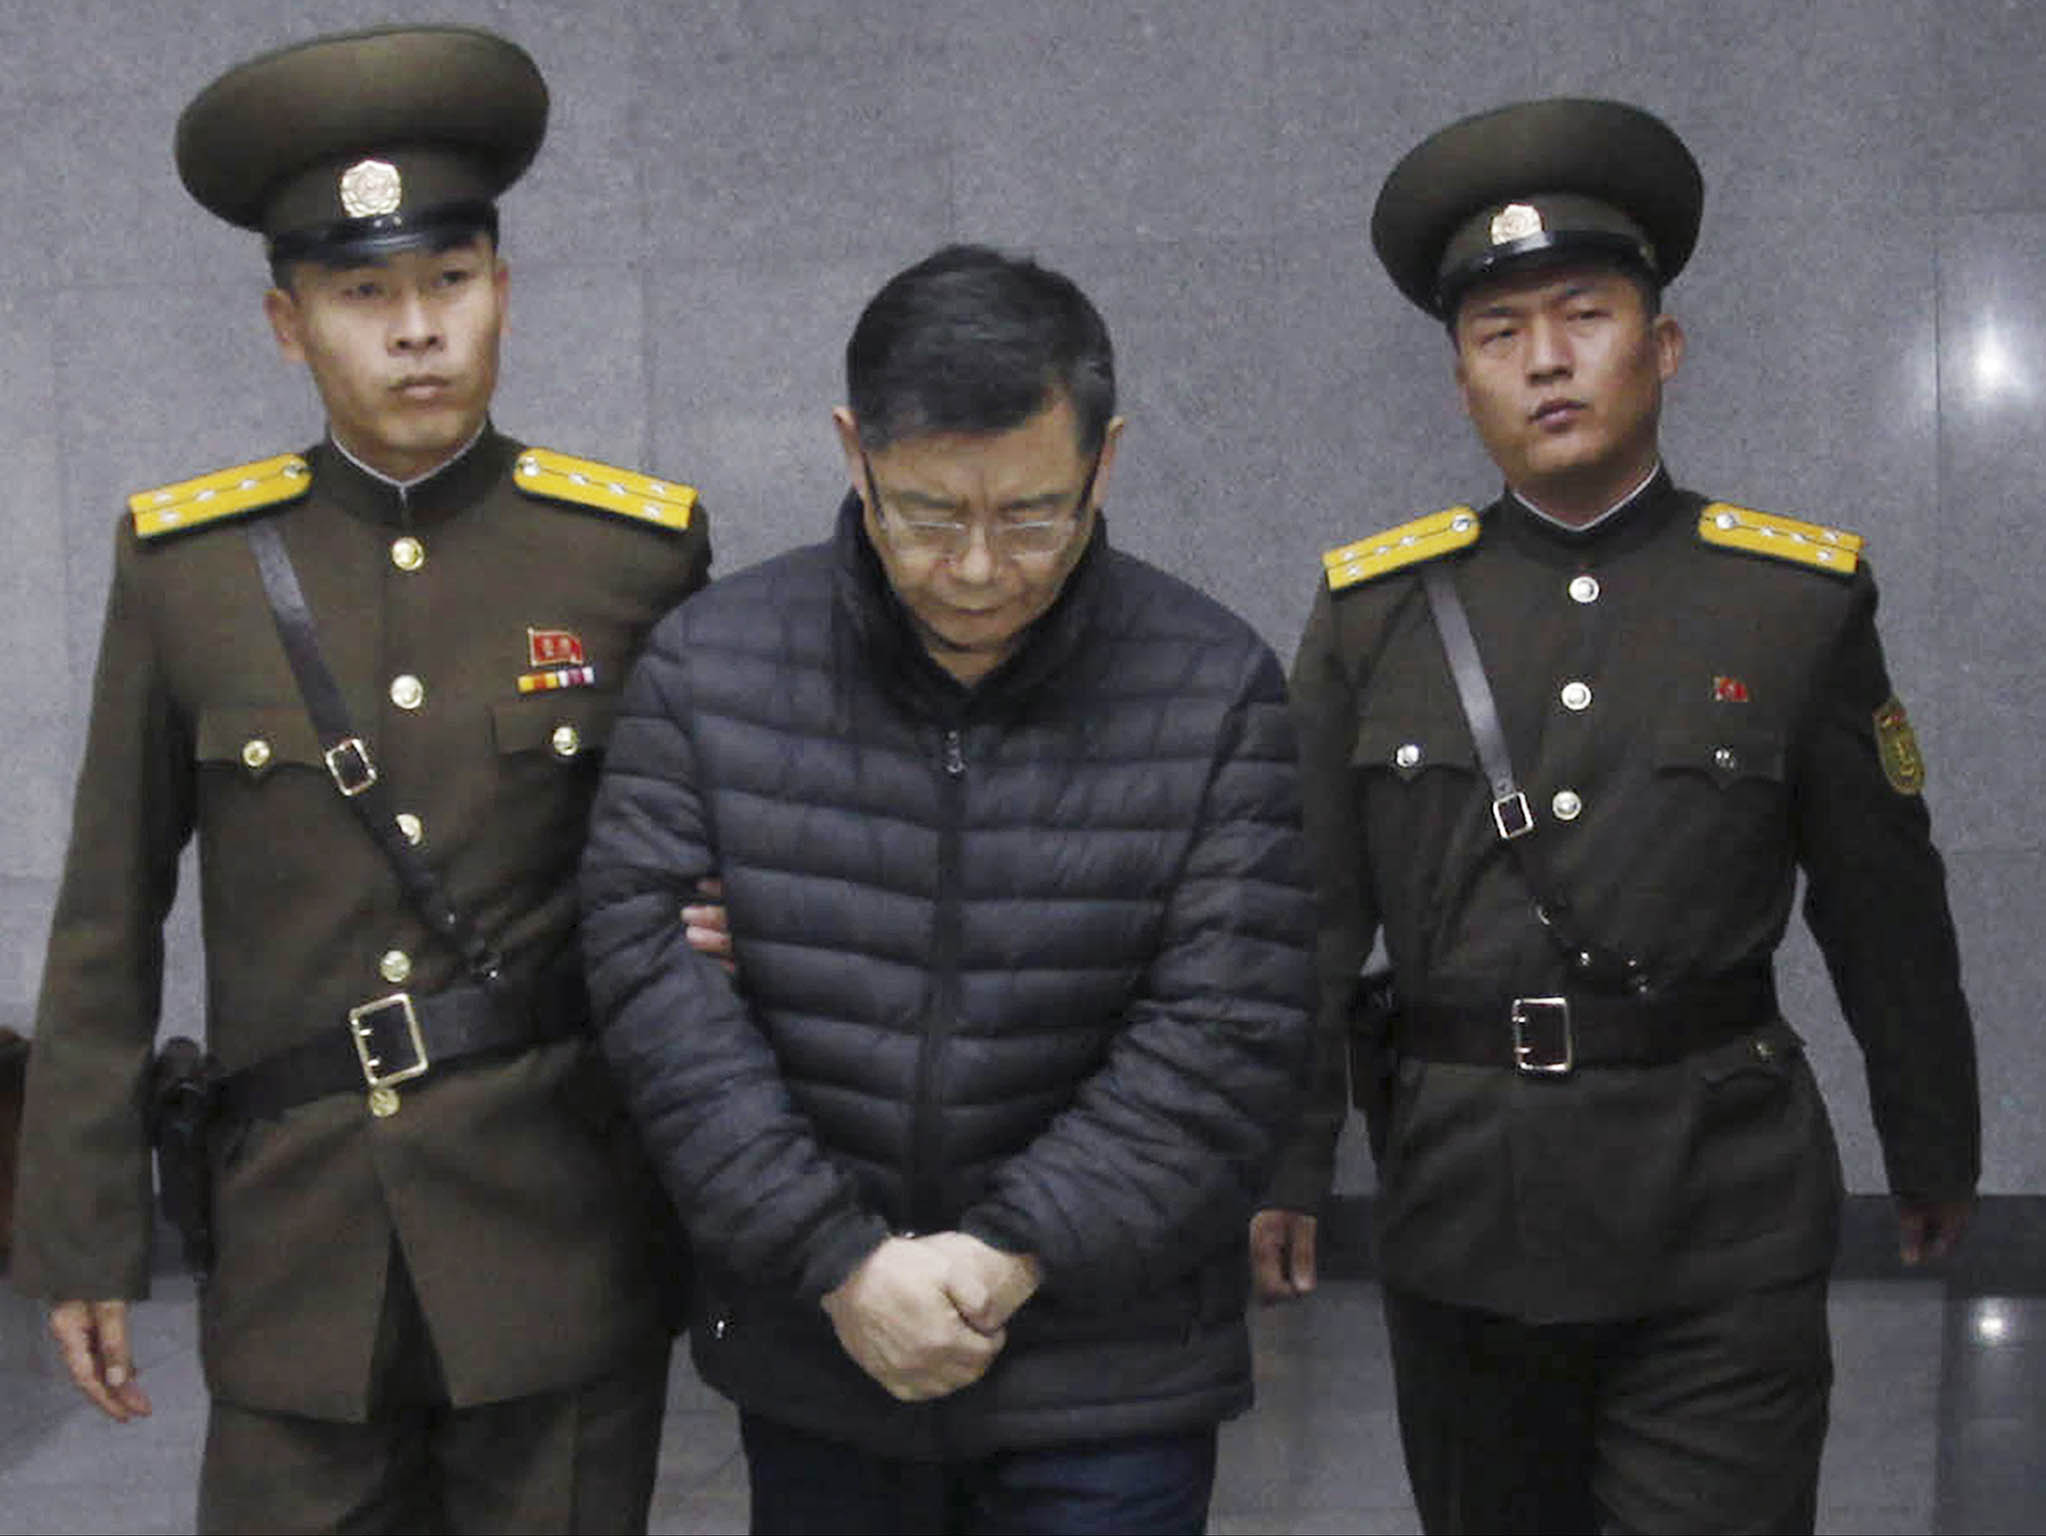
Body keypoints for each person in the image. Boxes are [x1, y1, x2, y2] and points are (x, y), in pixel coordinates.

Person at [9, 25, 711, 1534]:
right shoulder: (187, 570)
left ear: (502, 293)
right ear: (285, 322)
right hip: (298, 1249)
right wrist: (80, 1233)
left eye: (449, 283)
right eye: (362, 293)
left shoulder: (633, 556)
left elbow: (694, 877)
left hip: (559, 1235)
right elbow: (105, 917)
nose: (414, 332)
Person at [1253, 97, 1981, 1534]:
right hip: (1467, 1204)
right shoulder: (1373, 616)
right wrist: (1284, 1159)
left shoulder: (1789, 601)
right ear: (1460, 379)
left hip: (1719, 1206)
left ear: (1660, 346)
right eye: (1496, 334)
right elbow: (1308, 918)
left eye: (1582, 315)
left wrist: (1930, 1138)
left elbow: (1881, 895)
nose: (1543, 361)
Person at [579, 243, 1315, 1535]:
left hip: (1110, 1367)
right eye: (925, 512)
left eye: (1032, 512)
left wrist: (1001, 1256)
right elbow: (656, 1001)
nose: (978, 567)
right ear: (851, 451)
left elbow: (1224, 1034)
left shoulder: (1211, 688)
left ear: (1106, 457)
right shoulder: (713, 672)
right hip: (821, 1356)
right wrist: (840, 1264)